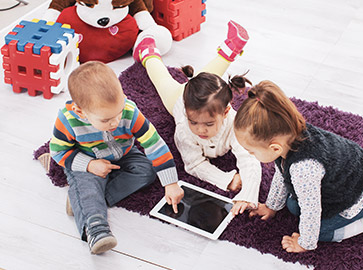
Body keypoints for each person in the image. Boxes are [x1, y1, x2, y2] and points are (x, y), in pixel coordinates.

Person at [233, 81, 363, 253]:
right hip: (358, 174)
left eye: (252, 152)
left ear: (274, 148)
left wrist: (304, 243)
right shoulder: (291, 134)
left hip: (360, 195)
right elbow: (281, 173)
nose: (251, 155)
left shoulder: (303, 169)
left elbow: (311, 210)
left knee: (316, 231)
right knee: (292, 206)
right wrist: (272, 206)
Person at [49, 61, 184, 254]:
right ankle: (97, 229)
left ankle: (83, 200)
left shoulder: (129, 110)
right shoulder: (67, 120)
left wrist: (170, 183)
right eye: (105, 120)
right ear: (80, 112)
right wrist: (89, 165)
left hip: (124, 154)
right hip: (87, 159)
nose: (115, 122)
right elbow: (58, 151)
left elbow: (154, 143)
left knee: (146, 171)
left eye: (118, 113)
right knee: (88, 183)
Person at [132, 21, 262, 216]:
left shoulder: (235, 123)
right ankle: (148, 52)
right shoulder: (185, 129)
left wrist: (248, 193)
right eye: (195, 123)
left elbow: (249, 158)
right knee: (162, 79)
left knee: (207, 82)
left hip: (203, 95)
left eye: (209, 124)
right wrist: (226, 179)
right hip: (178, 97)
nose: (200, 130)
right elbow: (194, 165)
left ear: (226, 112)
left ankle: (229, 49)